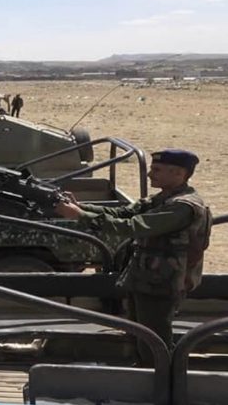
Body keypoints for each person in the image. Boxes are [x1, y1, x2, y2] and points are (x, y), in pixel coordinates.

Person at [55, 149, 212, 364]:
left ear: (178, 173)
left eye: (157, 170)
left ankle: (162, 377)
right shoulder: (163, 198)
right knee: (138, 335)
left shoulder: (182, 207)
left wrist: (80, 216)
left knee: (154, 340)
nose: (150, 174)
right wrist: (80, 207)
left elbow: (132, 226)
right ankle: (147, 373)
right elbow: (123, 213)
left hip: (164, 281)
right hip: (148, 277)